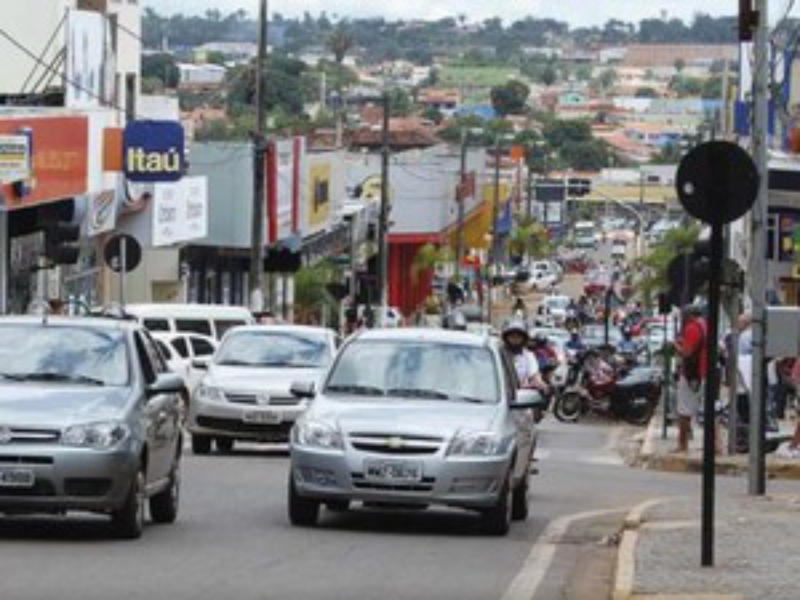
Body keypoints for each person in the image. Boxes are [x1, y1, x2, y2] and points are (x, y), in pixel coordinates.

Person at [674, 305, 708, 453]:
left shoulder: (692, 328)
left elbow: (686, 353)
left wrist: (676, 346)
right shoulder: (706, 325)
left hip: (691, 374)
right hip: (704, 372)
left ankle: (682, 445)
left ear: (689, 316)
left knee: (683, 410)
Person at [501, 320, 544, 390]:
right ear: (506, 338)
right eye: (512, 336)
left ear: (524, 339)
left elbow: (535, 376)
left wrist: (541, 385)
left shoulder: (528, 356)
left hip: (521, 395)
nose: (515, 339)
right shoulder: (498, 354)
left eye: (518, 337)